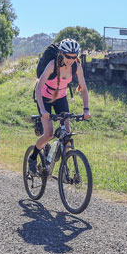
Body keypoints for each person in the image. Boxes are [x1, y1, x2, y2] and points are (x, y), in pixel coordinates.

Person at [28, 38, 90, 174]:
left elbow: (84, 89)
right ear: (61, 53)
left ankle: (64, 166)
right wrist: (43, 110)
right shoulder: (52, 65)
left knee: (67, 133)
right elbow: (38, 88)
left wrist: (86, 109)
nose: (71, 60)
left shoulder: (76, 67)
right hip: (44, 97)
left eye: (74, 57)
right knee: (49, 134)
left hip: (60, 98)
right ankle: (32, 158)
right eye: (68, 56)